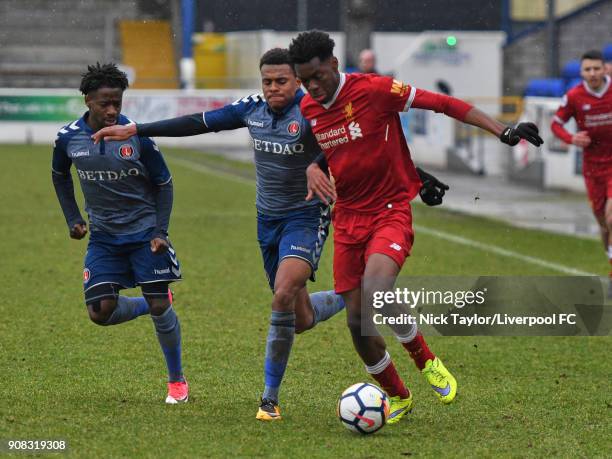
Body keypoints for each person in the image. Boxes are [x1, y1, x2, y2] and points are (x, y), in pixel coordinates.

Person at [288, 30, 543, 424]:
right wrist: (311, 166)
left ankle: (426, 360)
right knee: (358, 325)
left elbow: (442, 103)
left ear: (334, 65)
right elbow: (330, 146)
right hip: (348, 218)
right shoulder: (309, 108)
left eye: (317, 76)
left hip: (390, 210)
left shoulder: (375, 90)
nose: (312, 86)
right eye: (305, 81)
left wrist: (502, 130)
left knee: (376, 289)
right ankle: (398, 396)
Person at [51, 63, 187, 404]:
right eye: (104, 103)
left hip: (144, 234)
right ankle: (149, 305)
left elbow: (164, 183)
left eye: (117, 102)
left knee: (159, 305)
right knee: (100, 312)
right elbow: (59, 175)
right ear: (87, 101)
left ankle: (177, 383)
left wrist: (160, 230)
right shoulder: (68, 138)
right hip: (104, 238)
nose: (112, 110)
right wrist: (73, 218)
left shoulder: (136, 135)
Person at [551, 50, 612, 292]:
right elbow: (555, 124)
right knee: (603, 224)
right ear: (581, 72)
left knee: (611, 217)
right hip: (592, 168)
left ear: (604, 69)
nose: (593, 73)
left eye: (597, 68)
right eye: (588, 69)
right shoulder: (574, 96)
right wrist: (571, 137)